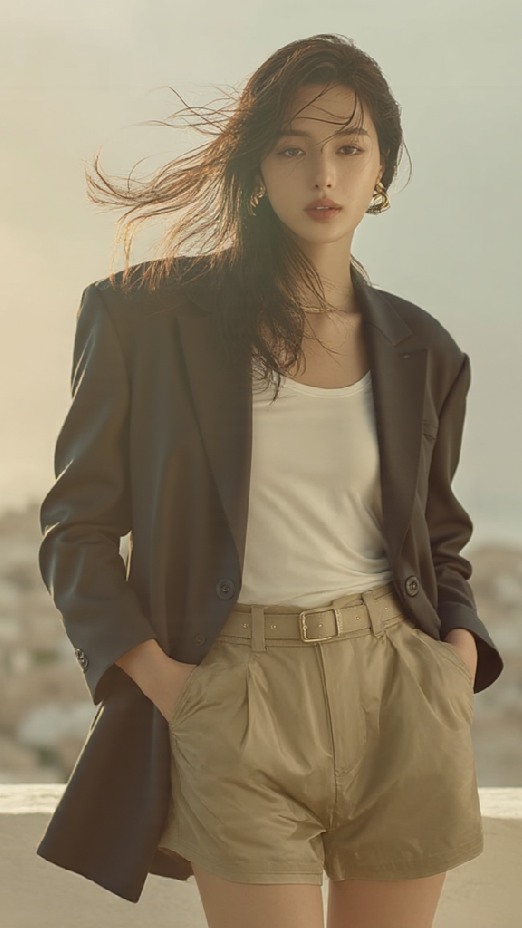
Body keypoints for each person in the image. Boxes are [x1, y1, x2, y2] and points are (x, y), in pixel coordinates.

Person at [37, 33, 504, 928]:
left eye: (349, 147)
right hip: (232, 691)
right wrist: (163, 680)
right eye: (292, 148)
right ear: (257, 168)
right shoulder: (143, 317)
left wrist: (457, 658)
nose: (323, 174)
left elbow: (439, 537)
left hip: (400, 692)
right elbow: (77, 528)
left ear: (382, 170)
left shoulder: (425, 348)